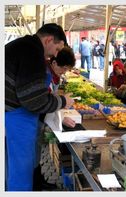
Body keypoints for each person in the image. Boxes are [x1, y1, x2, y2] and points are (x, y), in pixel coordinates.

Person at [5, 23, 74, 191]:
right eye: (57, 49)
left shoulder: (21, 45)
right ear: (48, 40)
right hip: (17, 117)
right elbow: (35, 101)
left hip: (11, 114)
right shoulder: (32, 52)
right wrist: (63, 101)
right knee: (21, 171)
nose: (55, 55)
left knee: (12, 167)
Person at [33, 46, 76, 191]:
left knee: (36, 154)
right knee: (32, 155)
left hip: (38, 119)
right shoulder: (45, 76)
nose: (64, 72)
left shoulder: (52, 75)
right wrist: (60, 115)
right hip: (33, 119)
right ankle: (36, 186)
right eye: (63, 68)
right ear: (54, 63)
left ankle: (39, 182)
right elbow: (43, 103)